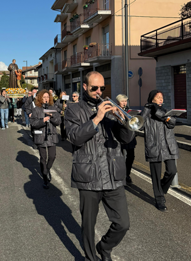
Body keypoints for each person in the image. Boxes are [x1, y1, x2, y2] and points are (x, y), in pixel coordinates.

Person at [65, 71, 135, 261]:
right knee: (88, 225)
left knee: (123, 223)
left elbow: (126, 139)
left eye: (102, 88)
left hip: (113, 173)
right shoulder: (73, 109)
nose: (98, 91)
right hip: (89, 174)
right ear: (85, 87)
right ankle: (90, 258)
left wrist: (124, 120)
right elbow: (74, 137)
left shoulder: (110, 108)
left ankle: (104, 247)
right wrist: (97, 118)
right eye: (94, 88)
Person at [140, 90, 179, 212]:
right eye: (158, 97)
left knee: (172, 171)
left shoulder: (166, 111)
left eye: (162, 97)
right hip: (154, 146)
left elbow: (172, 123)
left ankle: (161, 189)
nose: (160, 99)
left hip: (168, 145)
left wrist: (166, 117)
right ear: (152, 99)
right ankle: (159, 200)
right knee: (156, 175)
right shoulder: (147, 113)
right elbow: (140, 125)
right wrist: (146, 110)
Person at [30, 90, 61, 189]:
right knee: (43, 158)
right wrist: (42, 120)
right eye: (44, 97)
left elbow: (58, 122)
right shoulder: (36, 109)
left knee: (52, 156)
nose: (46, 99)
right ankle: (45, 179)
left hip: (51, 135)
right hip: (41, 136)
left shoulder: (53, 108)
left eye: (47, 97)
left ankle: (47, 170)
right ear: (40, 98)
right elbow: (33, 123)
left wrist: (51, 117)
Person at [116, 94, 137, 185]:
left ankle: (127, 174)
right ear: (118, 102)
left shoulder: (128, 110)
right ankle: (121, 175)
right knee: (121, 157)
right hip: (120, 137)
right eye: (122, 101)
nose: (124, 103)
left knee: (131, 157)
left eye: (125, 101)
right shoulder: (115, 110)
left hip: (130, 137)